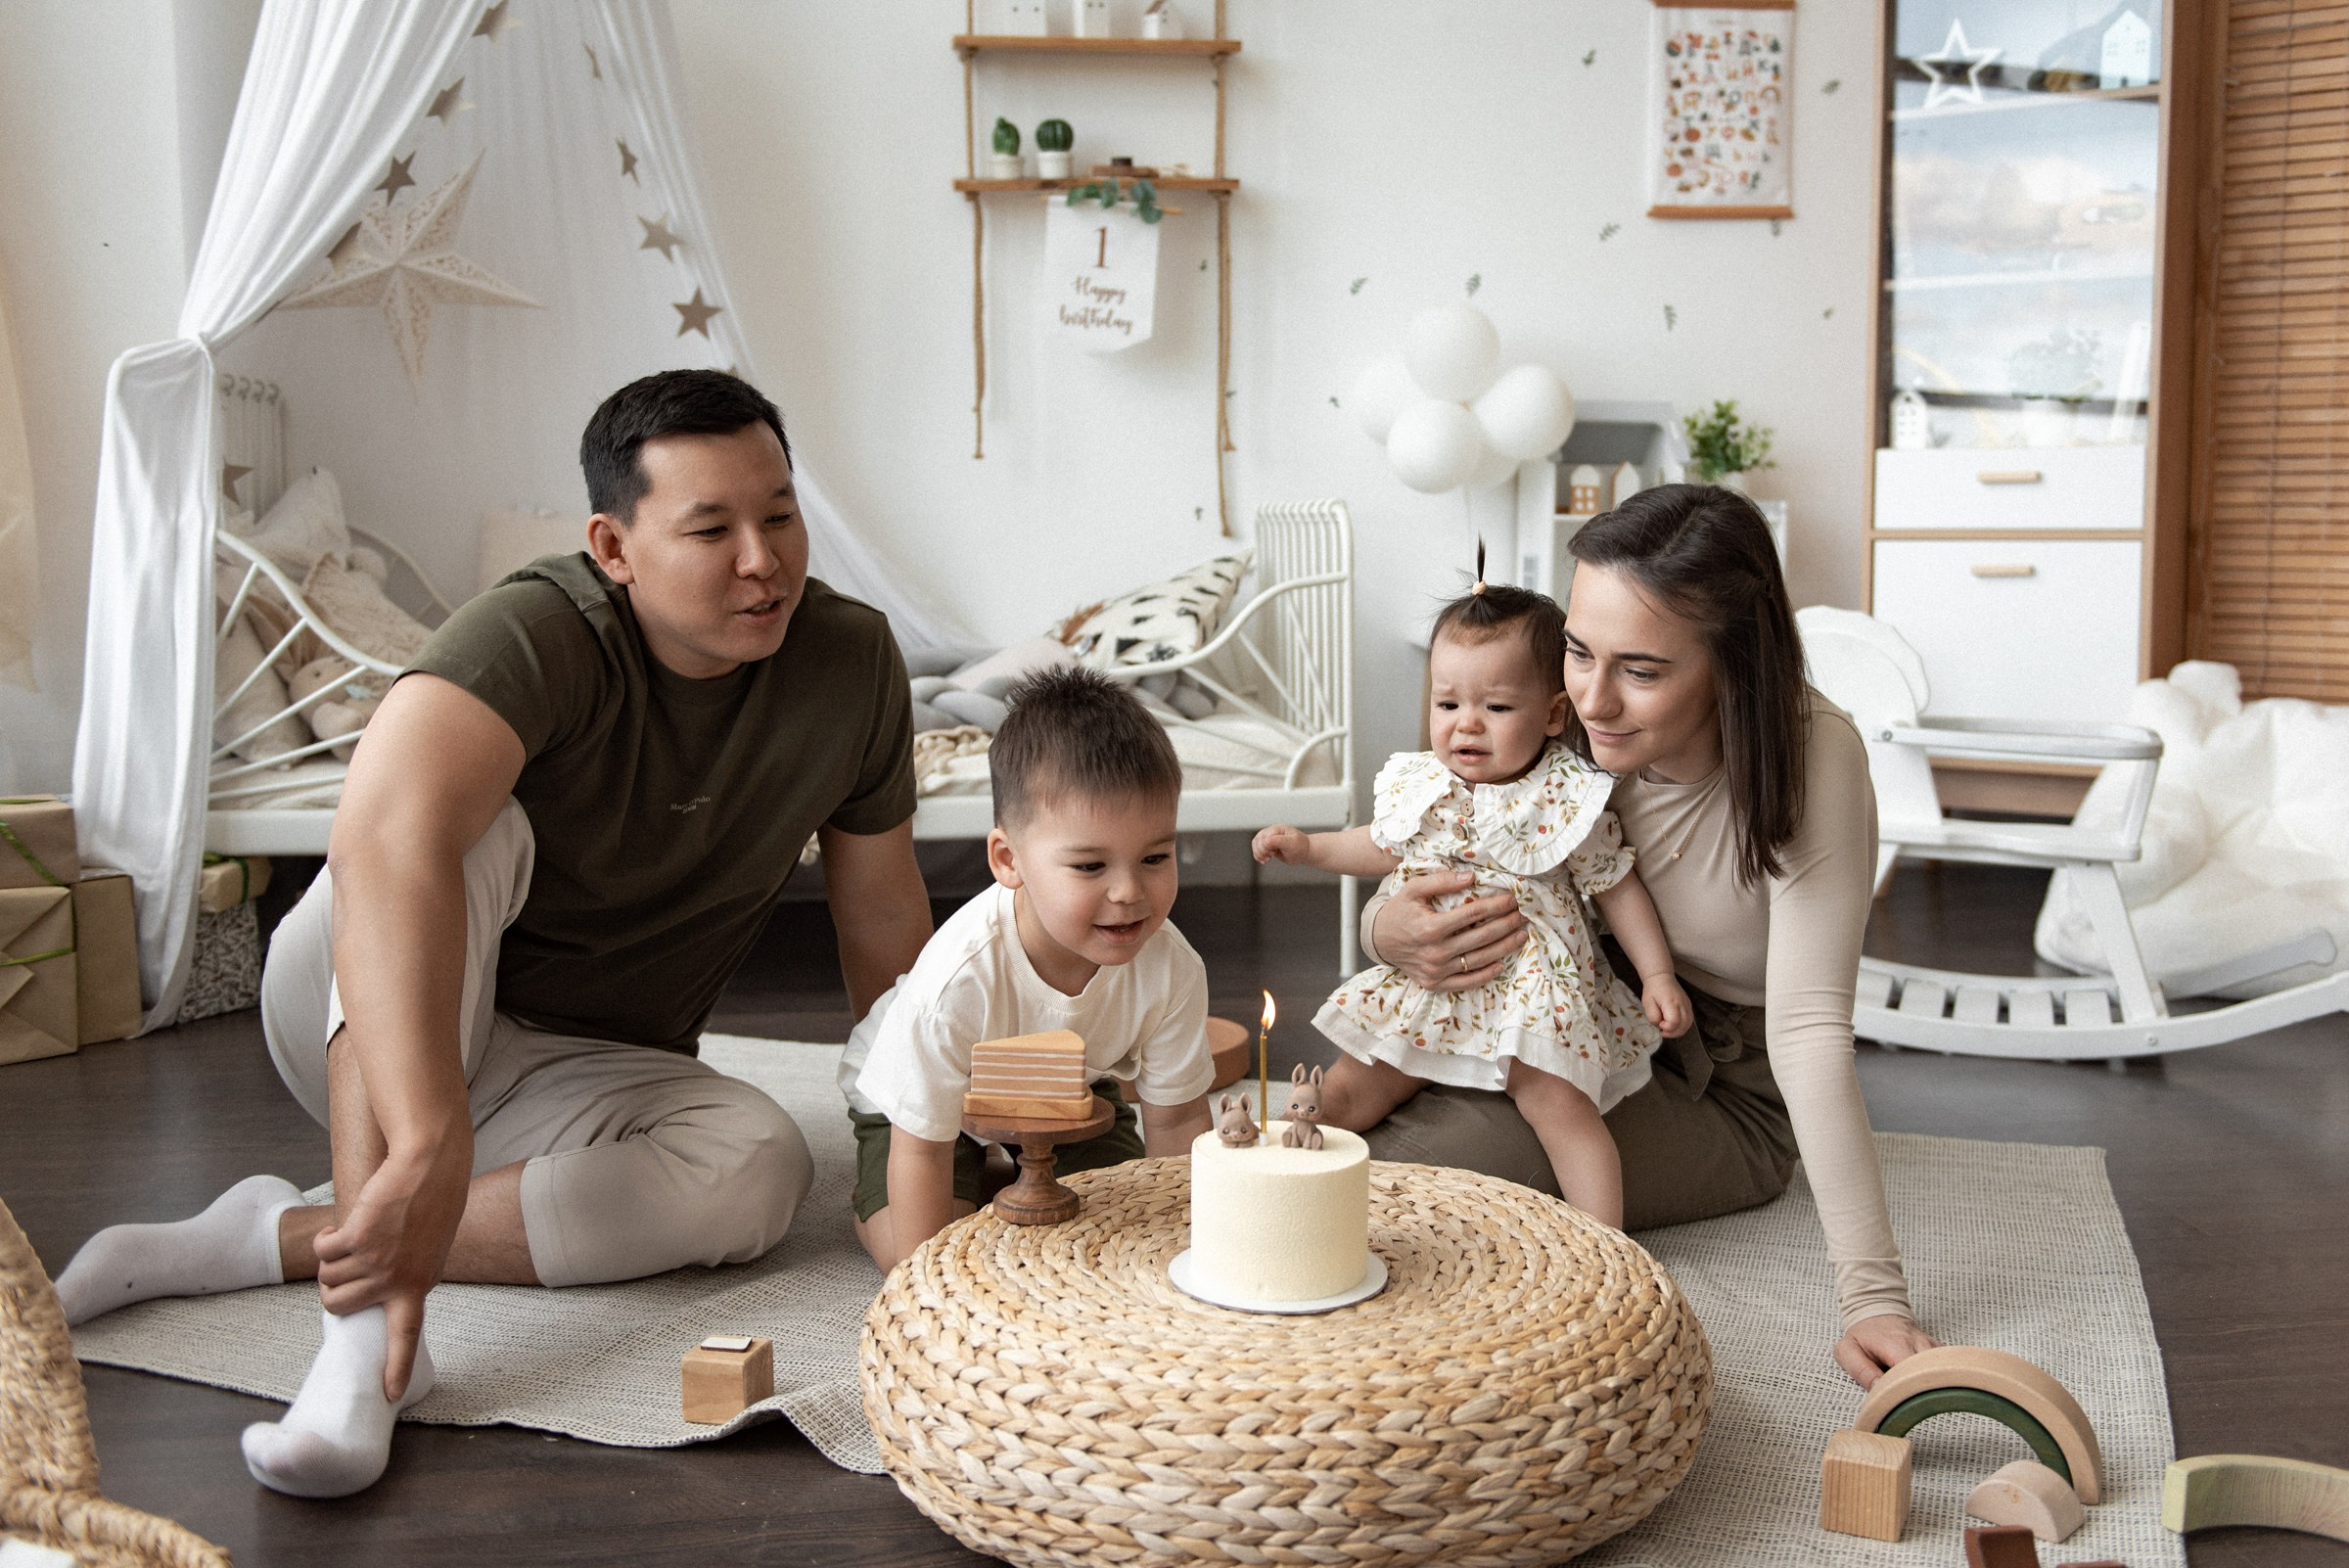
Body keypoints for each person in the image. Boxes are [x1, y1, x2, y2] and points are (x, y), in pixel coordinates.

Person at [53, 369, 936, 1496]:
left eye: (780, 515)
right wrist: (427, 1134)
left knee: (759, 1168)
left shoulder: (850, 663)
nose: (762, 560)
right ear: (613, 548)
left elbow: (882, 916)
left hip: (585, 1066)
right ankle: (363, 1348)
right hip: (370, 997)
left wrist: (922, 1119)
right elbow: (380, 846)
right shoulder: (538, 631)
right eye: (712, 529)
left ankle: (273, 1237)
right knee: (458, 826)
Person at [1352, 485, 1939, 1390]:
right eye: (1578, 652)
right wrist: (1385, 929)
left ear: (1731, 664)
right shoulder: (1559, 716)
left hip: (1724, 1083)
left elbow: (1810, 1034)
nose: (1590, 698)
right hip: (1571, 1016)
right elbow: (1435, 841)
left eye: (1643, 671)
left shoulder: (1812, 755)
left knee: (1413, 1177)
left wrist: (1874, 1300)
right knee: (1358, 1096)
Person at [1251, 576, 1688, 1226]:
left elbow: (1616, 885)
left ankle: (1606, 1239)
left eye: (1498, 708)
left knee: (1562, 1107)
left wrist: (1656, 973)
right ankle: (1278, 1175)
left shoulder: (1564, 795)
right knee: (1352, 1080)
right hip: (1429, 986)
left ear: (1552, 714)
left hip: (1530, 992)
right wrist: (1310, 849)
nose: (1466, 726)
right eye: (1448, 704)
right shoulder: (1423, 784)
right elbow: (1377, 845)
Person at [845, 668, 1216, 1271]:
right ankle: (892, 1201)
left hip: (1064, 1089)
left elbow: (1174, 1119)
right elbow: (921, 1148)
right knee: (927, 1252)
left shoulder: (1171, 967)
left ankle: (1017, 1169)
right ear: (1008, 859)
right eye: (1091, 866)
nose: (1129, 892)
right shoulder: (955, 980)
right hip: (931, 1109)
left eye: (1155, 857)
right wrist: (921, 1285)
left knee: (1109, 1223)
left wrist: (1179, 1246)